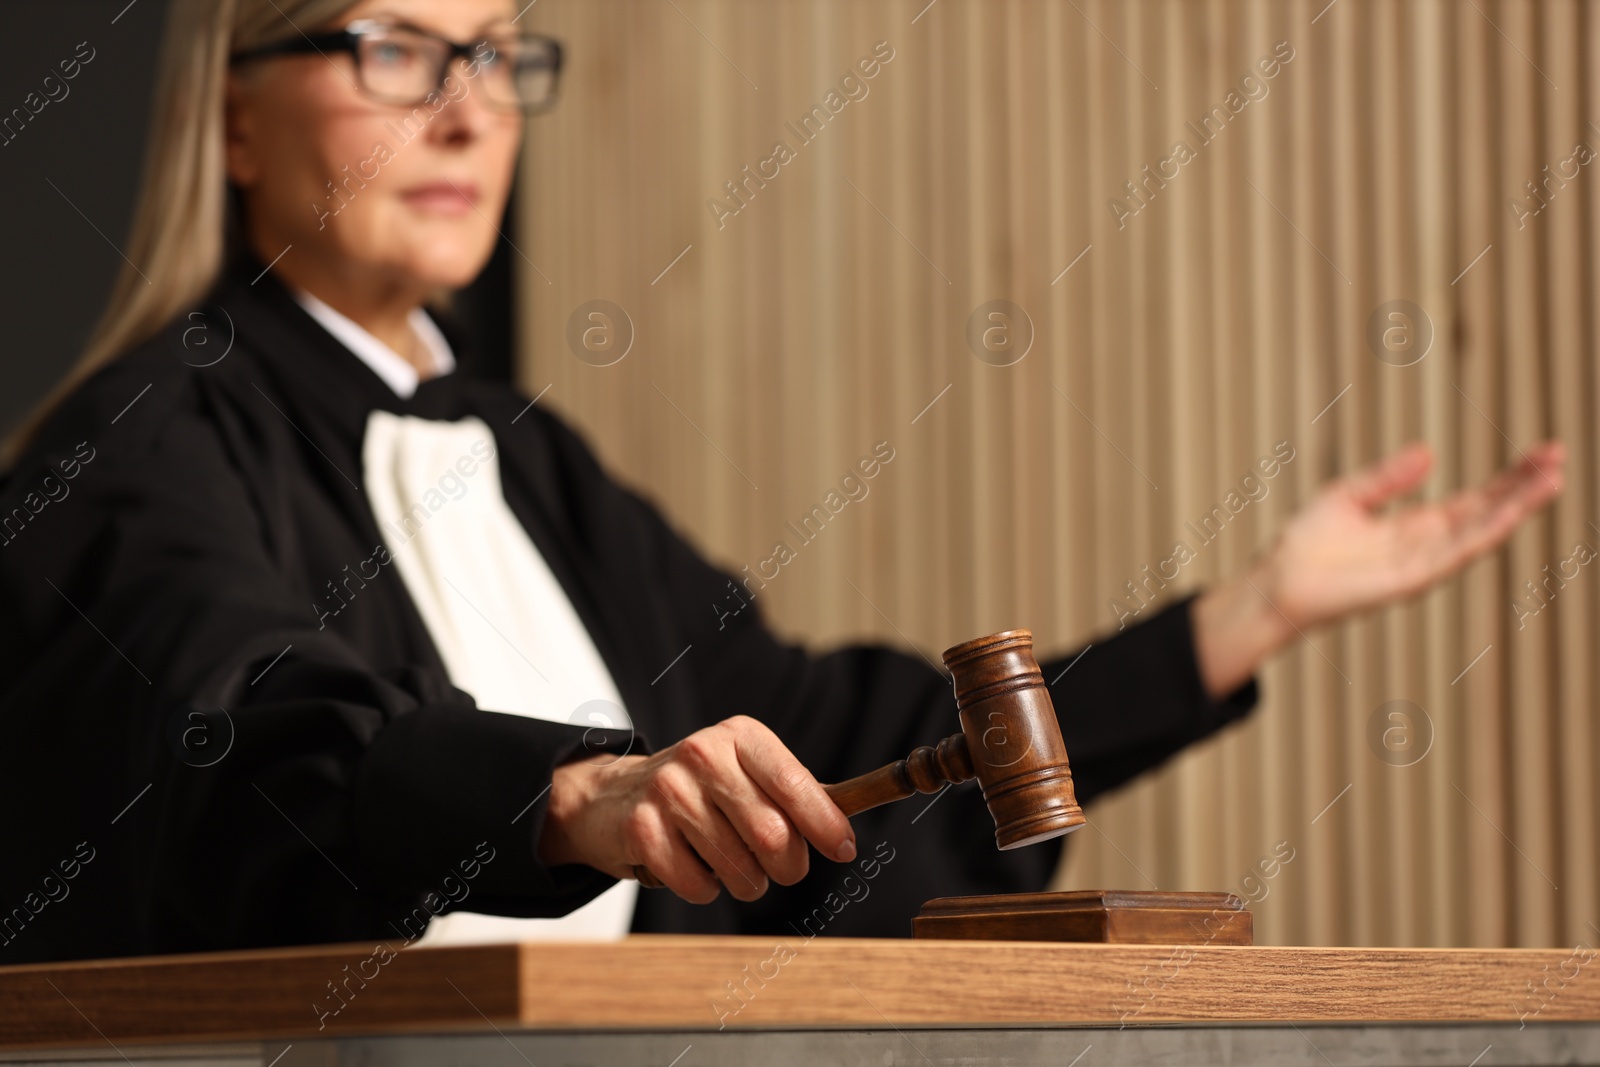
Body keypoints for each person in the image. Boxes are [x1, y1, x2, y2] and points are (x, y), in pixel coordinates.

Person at [0, 0, 1563, 966]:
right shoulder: (130, 443)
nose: (467, 106)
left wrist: (1245, 617)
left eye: (495, 51)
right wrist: (564, 794)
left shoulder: (530, 460)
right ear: (231, 113)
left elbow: (815, 746)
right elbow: (238, 742)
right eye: (393, 47)